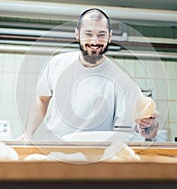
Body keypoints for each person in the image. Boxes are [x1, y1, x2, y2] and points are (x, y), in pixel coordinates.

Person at [18, 8, 159, 141]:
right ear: (77, 34)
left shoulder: (123, 81)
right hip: (55, 149)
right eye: (88, 34)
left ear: (110, 36)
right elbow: (42, 99)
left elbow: (145, 131)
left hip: (95, 156)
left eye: (101, 35)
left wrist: (149, 125)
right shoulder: (56, 63)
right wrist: (28, 133)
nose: (95, 41)